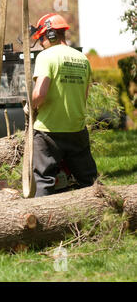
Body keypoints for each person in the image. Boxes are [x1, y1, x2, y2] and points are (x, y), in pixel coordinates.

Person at [29, 13, 98, 197]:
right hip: (76, 129)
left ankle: (43, 223)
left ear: (50, 35)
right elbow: (84, 96)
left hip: (48, 131)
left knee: (43, 181)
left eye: (41, 38)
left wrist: (31, 107)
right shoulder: (82, 59)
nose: (42, 43)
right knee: (89, 182)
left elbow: (39, 93)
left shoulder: (46, 56)